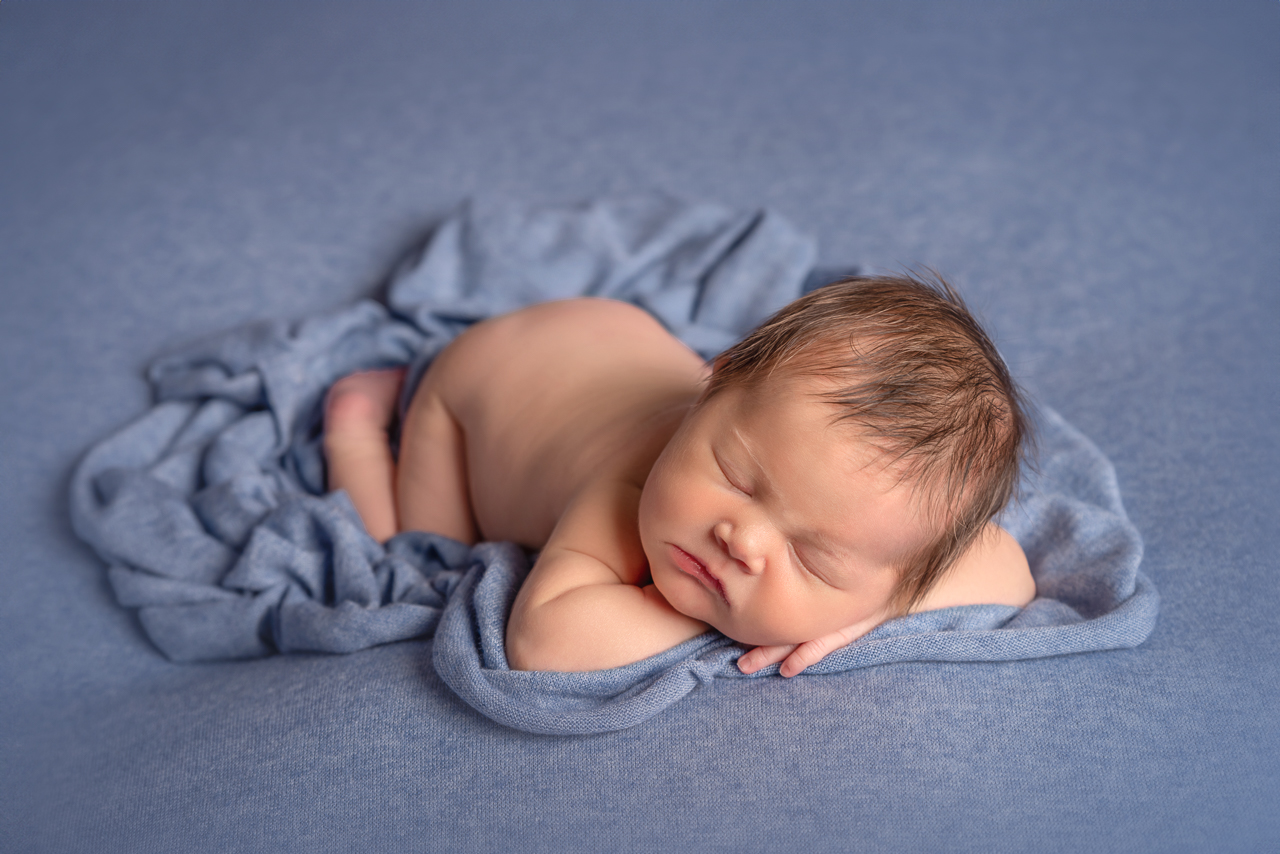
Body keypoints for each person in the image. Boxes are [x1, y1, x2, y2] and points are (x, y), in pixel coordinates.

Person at [323, 274, 1035, 677]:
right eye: (738, 479)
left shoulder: (869, 527)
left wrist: (876, 610)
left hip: (606, 334)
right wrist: (739, 626)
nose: (740, 540)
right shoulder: (624, 491)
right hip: (474, 388)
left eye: (812, 559)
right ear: (712, 384)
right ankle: (355, 424)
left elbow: (1010, 571)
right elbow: (543, 641)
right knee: (423, 548)